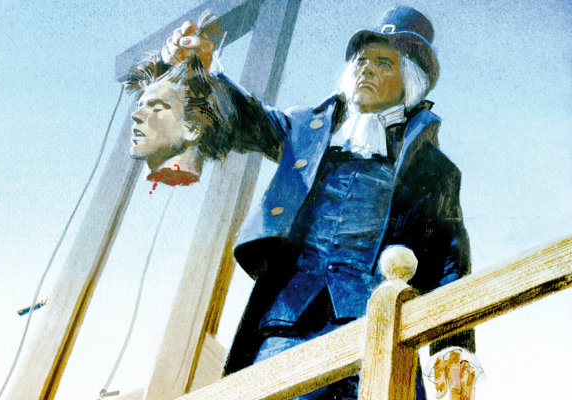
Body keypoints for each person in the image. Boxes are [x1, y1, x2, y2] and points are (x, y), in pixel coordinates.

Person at [148, 6, 479, 399]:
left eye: (383, 63)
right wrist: (201, 70)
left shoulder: (434, 170)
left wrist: (453, 349)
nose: (367, 69)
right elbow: (245, 116)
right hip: (284, 329)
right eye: (362, 60)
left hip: (378, 331)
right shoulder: (305, 130)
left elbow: (450, 262)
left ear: (409, 82)